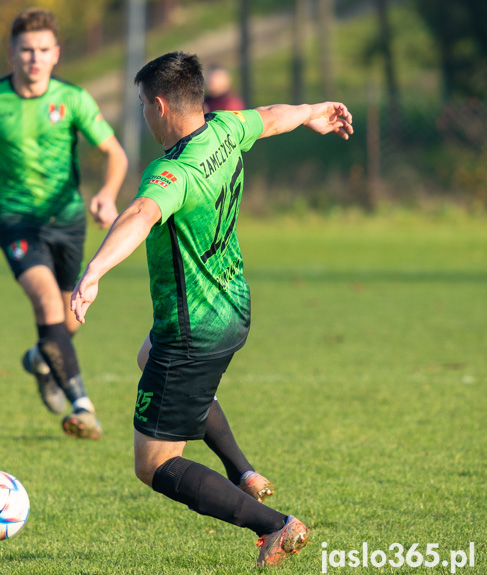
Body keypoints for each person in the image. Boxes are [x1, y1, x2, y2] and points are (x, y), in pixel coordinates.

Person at [70, 52, 353, 566]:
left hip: (192, 330)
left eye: (141, 106)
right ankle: (242, 470)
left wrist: (93, 272)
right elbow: (270, 117)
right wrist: (313, 110)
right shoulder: (224, 127)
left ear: (159, 105)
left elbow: (138, 214)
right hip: (233, 307)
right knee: (144, 356)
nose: (143, 116)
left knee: (155, 464)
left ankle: (276, 526)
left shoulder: (173, 171)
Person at [0, 9, 128, 440]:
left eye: (43, 50)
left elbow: (116, 154)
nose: (34, 58)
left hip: (68, 220)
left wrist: (107, 194)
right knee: (45, 303)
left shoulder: (73, 99)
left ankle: (40, 357)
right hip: (16, 221)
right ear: (11, 54)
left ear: (56, 55)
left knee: (70, 315)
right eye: (26, 50)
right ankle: (82, 404)